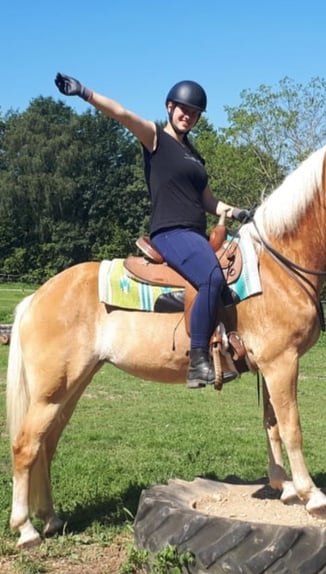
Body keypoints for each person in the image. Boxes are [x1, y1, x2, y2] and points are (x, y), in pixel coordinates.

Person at [55, 72, 250, 388]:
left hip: (195, 234)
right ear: (170, 107)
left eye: (195, 113)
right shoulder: (156, 138)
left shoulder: (194, 155)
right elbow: (122, 114)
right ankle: (198, 359)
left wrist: (239, 212)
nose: (189, 116)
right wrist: (85, 92)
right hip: (171, 232)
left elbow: (208, 201)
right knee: (212, 277)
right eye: (183, 109)